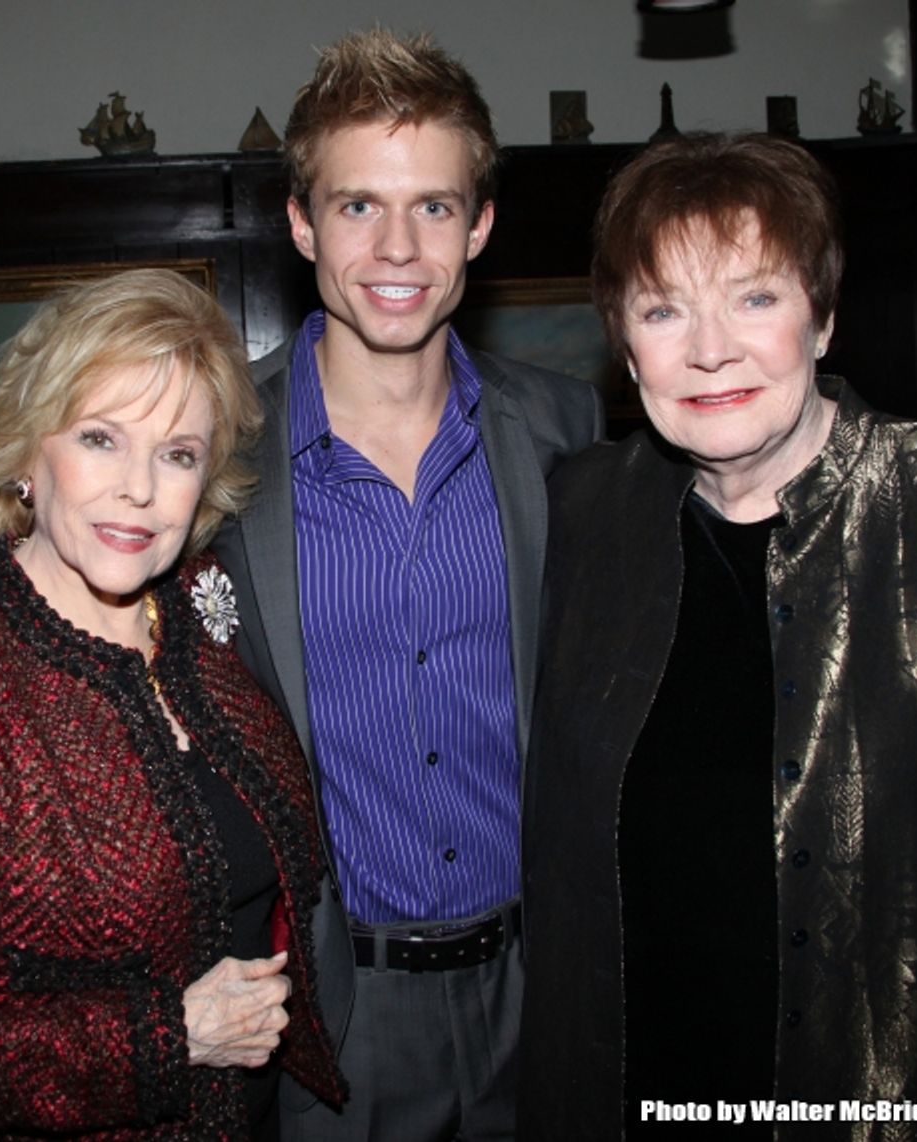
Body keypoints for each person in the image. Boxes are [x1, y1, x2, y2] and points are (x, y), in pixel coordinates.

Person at [518, 132, 917, 1139]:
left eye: (755, 296)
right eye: (665, 309)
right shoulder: (585, 515)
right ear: (628, 348)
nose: (710, 348)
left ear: (824, 315)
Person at [213, 27, 603, 1142]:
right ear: (300, 224)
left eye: (434, 205)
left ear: (479, 225)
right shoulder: (219, 455)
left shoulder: (563, 433)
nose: (397, 245)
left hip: (545, 985)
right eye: (356, 206)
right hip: (331, 1012)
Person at [0, 268, 344, 1138]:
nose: (141, 490)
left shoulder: (195, 609)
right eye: (101, 440)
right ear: (28, 451)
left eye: (179, 453)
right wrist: (168, 1037)